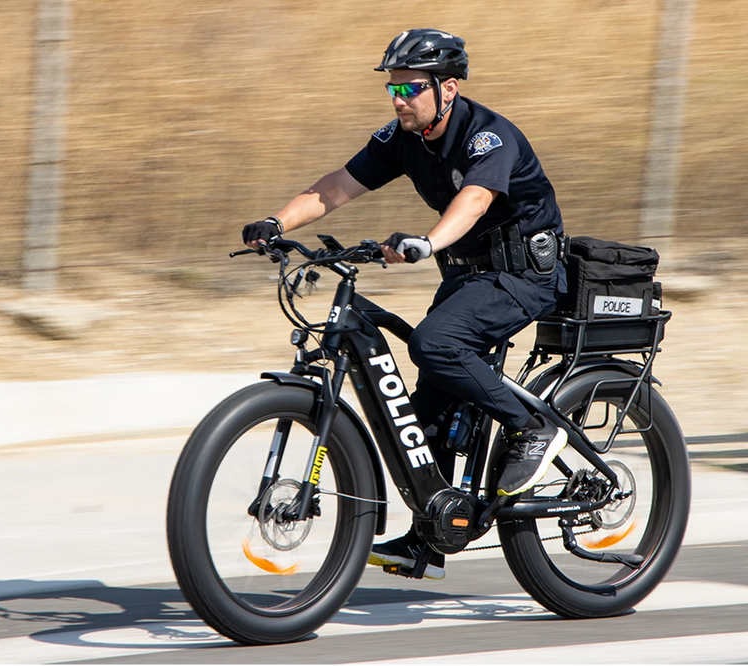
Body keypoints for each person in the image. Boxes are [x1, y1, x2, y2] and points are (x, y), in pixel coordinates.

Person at [242, 29, 568, 580]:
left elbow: (475, 200)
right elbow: (338, 185)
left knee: (435, 343)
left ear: (448, 87)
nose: (398, 99)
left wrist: (428, 241)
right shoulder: (402, 136)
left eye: (411, 88)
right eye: (393, 88)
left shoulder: (488, 137)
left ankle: (531, 427)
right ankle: (431, 537)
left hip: (523, 274)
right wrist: (277, 222)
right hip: (469, 275)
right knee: (427, 409)